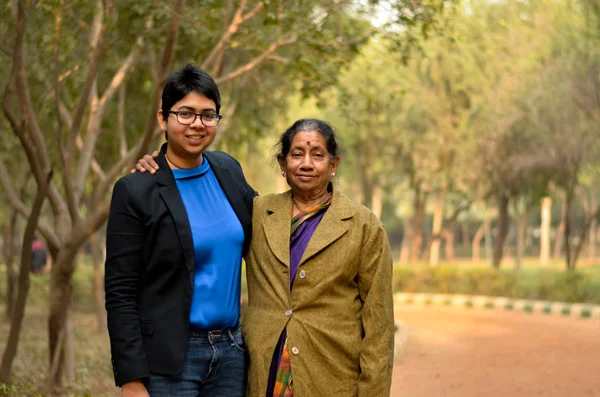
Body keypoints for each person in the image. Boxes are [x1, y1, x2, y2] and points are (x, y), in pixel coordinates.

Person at [136, 118, 395, 397]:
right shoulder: (257, 212)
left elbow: (379, 326)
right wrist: (165, 164)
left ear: (333, 165)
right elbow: (206, 189)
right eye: (296, 154)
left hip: (331, 375)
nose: (306, 164)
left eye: (317, 155)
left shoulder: (363, 226)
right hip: (263, 374)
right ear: (283, 165)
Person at [105, 64, 256, 397]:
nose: (197, 124)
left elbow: (268, 223)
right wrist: (131, 379)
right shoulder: (135, 190)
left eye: (208, 115)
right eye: (185, 113)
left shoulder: (228, 170)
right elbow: (120, 291)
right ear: (163, 119)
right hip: (171, 359)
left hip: (231, 353)